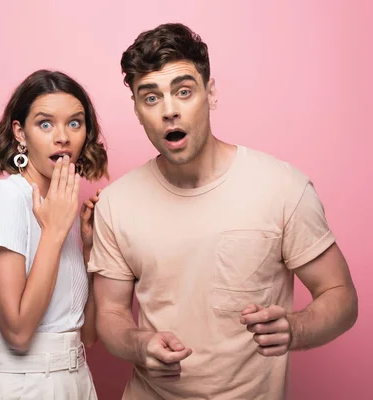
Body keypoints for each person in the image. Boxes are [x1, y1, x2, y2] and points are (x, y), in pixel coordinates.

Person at [88, 23, 358, 399]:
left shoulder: (282, 188)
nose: (169, 111)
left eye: (184, 92)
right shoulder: (116, 204)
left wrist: (295, 328)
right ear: (136, 108)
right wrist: (140, 344)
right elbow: (111, 314)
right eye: (150, 98)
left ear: (210, 93)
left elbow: (341, 295)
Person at [0, 69, 108, 399]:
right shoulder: (7, 197)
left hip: (77, 381)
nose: (62, 137)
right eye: (45, 123)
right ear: (20, 132)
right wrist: (54, 231)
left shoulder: (64, 211)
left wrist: (89, 248)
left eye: (75, 123)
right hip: (26, 386)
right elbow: (18, 333)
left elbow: (88, 335)